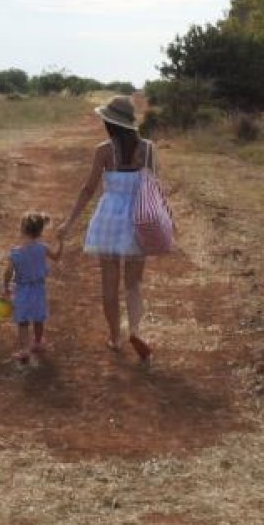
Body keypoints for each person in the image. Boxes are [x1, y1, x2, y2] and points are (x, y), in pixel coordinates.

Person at [58, 95, 159, 362]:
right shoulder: (148, 149)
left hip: (109, 220)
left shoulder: (104, 150)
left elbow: (88, 188)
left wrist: (69, 222)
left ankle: (115, 336)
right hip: (138, 219)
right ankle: (135, 330)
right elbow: (153, 186)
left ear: (110, 123)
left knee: (109, 285)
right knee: (134, 284)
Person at [2, 211, 63, 364]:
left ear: (22, 230)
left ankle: (24, 350)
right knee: (38, 318)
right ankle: (38, 341)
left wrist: (6, 286)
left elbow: (8, 271)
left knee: (22, 321)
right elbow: (56, 256)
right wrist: (62, 242)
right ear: (40, 231)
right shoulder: (43, 248)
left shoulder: (15, 253)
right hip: (39, 289)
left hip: (22, 290)